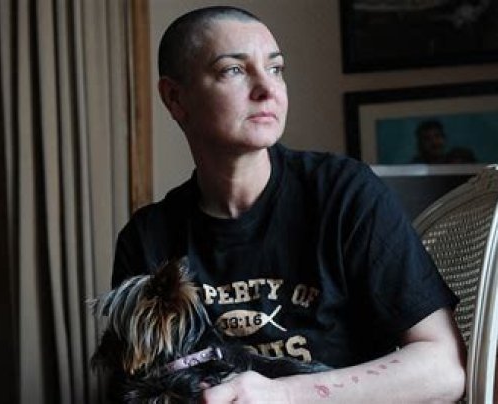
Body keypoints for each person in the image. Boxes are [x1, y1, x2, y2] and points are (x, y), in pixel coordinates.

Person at [111, 6, 466, 403]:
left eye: (276, 69)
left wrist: (285, 395)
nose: (268, 88)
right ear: (176, 98)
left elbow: (444, 368)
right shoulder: (147, 238)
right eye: (234, 70)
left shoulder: (345, 194)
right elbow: (136, 389)